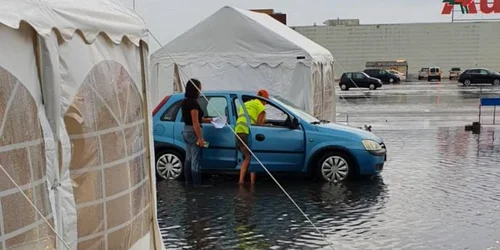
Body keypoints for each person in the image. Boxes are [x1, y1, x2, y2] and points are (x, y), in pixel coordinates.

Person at [235, 89, 270, 185]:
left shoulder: (247, 104)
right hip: (246, 132)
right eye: (266, 101)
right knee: (250, 157)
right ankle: (247, 183)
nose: (265, 104)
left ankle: (244, 181)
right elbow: (259, 124)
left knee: (247, 156)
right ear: (265, 100)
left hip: (238, 130)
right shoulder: (261, 107)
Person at [181, 79, 212, 186]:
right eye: (199, 88)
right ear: (195, 89)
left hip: (186, 130)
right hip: (193, 131)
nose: (200, 90)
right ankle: (197, 184)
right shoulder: (193, 103)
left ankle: (188, 182)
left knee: (188, 158)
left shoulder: (184, 101)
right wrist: (200, 138)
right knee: (195, 159)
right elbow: (195, 122)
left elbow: (194, 119)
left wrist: (208, 120)